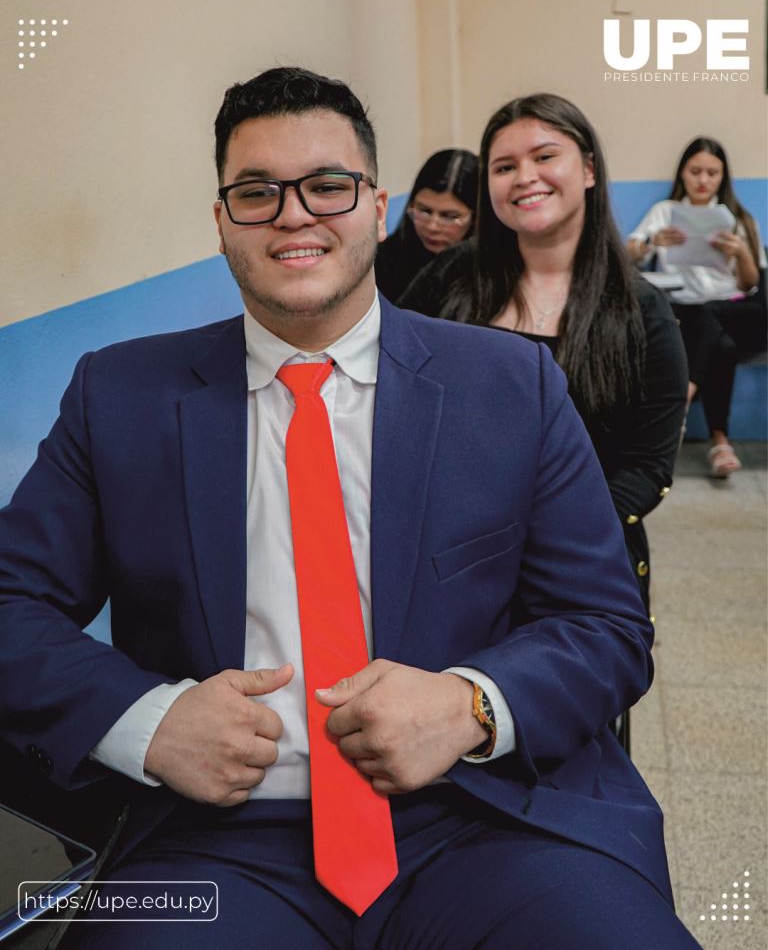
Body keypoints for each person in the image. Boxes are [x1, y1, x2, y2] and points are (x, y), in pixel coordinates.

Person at [0, 68, 699, 949]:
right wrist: (149, 720)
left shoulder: (510, 386)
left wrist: (471, 706)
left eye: (328, 185)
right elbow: (11, 603)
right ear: (221, 221)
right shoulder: (120, 396)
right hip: (218, 841)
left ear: (376, 205)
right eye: (257, 192)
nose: (294, 215)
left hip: (491, 816)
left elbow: (606, 625)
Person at [401, 93, 688, 615]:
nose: (524, 177)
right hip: (448, 561)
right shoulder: (448, 280)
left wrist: (546, 538)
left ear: (589, 170)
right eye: (504, 166)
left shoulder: (641, 310)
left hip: (580, 565)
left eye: (544, 156)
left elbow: (647, 467)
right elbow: (394, 392)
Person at [627, 137, 767, 478]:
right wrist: (652, 243)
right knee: (722, 345)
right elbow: (627, 255)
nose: (703, 180)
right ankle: (720, 442)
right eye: (695, 171)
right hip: (681, 308)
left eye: (712, 173)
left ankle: (682, 398)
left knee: (712, 316)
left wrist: (741, 252)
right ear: (683, 173)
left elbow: (751, 284)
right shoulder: (665, 211)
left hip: (728, 307)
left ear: (723, 177)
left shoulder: (737, 218)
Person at [374, 148, 477, 303]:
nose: (432, 227)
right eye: (424, 211)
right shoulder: (381, 260)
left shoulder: (491, 273)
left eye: (449, 217)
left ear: (476, 218)